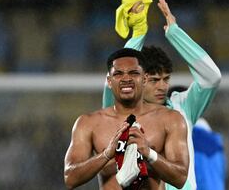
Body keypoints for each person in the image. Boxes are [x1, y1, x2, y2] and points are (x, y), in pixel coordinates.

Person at [102, 0, 222, 190]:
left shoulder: (182, 107)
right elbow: (115, 79)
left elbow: (212, 77)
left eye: (166, 79)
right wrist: (138, 33)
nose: (162, 87)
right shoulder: (122, 110)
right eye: (154, 80)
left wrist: (175, 34)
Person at [64, 48, 189, 189]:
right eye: (118, 74)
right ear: (109, 81)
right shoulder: (88, 123)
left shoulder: (170, 119)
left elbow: (181, 178)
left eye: (133, 73)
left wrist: (149, 153)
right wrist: (106, 154)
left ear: (144, 78)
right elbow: (70, 177)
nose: (126, 79)